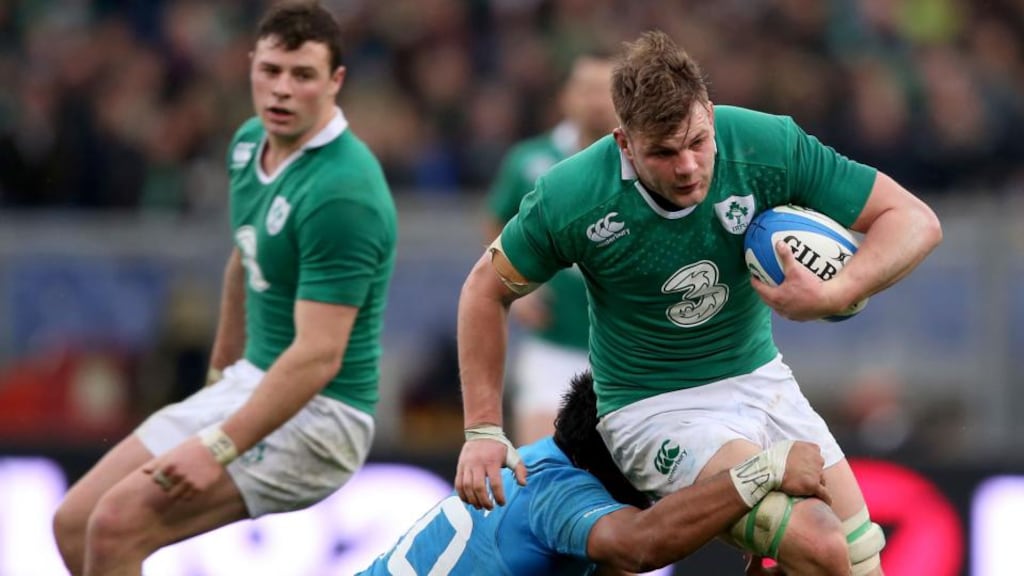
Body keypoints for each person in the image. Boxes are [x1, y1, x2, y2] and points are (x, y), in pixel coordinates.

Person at [455, 30, 942, 576]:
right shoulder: (574, 196)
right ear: (624, 142)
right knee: (822, 545)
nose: (687, 167)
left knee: (859, 563)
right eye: (662, 153)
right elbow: (483, 289)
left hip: (762, 381)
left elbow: (914, 221)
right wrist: (482, 431)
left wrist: (837, 291)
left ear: (710, 112)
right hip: (654, 407)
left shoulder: (765, 147)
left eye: (697, 142)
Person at [51, 3, 398, 575]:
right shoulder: (247, 144)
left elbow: (317, 355)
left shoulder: (344, 191)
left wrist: (218, 443)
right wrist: (220, 376)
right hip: (252, 383)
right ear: (251, 66)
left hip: (323, 415)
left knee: (116, 525)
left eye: (303, 75)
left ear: (335, 81)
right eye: (271, 71)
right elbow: (247, 254)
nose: (282, 90)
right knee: (75, 522)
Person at [360, 372, 830, 575]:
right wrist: (761, 472)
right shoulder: (558, 495)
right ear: (628, 450)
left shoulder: (546, 463)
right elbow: (643, 545)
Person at [484, 54, 618, 445]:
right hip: (555, 342)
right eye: (587, 89)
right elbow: (496, 222)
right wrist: (517, 286)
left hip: (629, 347)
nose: (596, 101)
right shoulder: (530, 160)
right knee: (540, 460)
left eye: (606, 91)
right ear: (566, 97)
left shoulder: (646, 159)